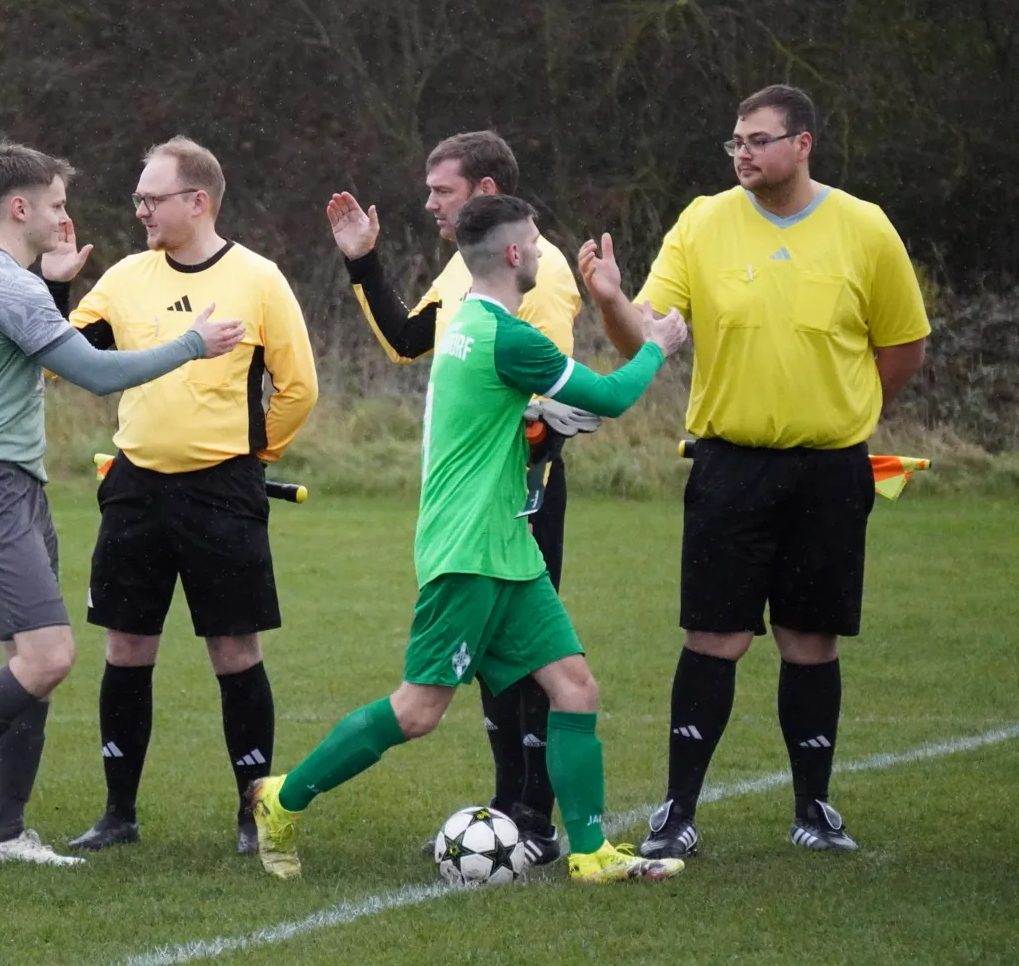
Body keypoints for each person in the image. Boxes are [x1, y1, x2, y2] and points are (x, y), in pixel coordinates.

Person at [248, 194, 691, 884]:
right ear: (513, 254)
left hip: (506, 546)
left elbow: (498, 413)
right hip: (467, 551)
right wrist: (658, 344)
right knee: (418, 710)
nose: (541, 252)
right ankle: (281, 799)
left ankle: (590, 852)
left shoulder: (468, 322)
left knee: (575, 688)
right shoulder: (506, 336)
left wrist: (536, 418)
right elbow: (610, 397)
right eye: (536, 243)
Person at [577, 84, 930, 858]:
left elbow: (904, 345)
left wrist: (850, 411)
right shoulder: (703, 222)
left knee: (811, 638)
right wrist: (609, 301)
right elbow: (646, 335)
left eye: (759, 140)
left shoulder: (864, 227)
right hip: (729, 467)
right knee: (715, 636)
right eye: (736, 140)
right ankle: (677, 812)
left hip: (830, 472)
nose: (743, 152)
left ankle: (814, 810)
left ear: (803, 144)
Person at [0, 141, 246, 866]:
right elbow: (93, 372)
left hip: (7, 484)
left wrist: (51, 284)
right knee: (49, 655)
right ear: (18, 206)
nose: (65, 219)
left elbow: (31, 353)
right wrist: (192, 344)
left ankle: (6, 834)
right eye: (56, 205)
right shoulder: (6, 286)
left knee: (29, 661)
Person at [46, 136, 318, 854]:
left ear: (198, 201)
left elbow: (298, 388)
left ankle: (251, 816)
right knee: (126, 646)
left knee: (234, 650)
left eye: (152, 199)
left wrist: (251, 455)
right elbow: (52, 360)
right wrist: (54, 287)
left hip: (223, 493)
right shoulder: (124, 279)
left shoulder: (259, 279)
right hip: (134, 488)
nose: (140, 211)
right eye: (137, 198)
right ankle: (118, 815)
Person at [326, 130, 581, 865]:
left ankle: (535, 818)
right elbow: (409, 339)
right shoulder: (467, 265)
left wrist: (519, 476)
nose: (429, 203)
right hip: (475, 502)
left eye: (443, 190)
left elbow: (551, 403)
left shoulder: (540, 274)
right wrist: (363, 261)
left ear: (486, 192)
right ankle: (511, 805)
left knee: (535, 661)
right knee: (499, 659)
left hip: (519, 499)